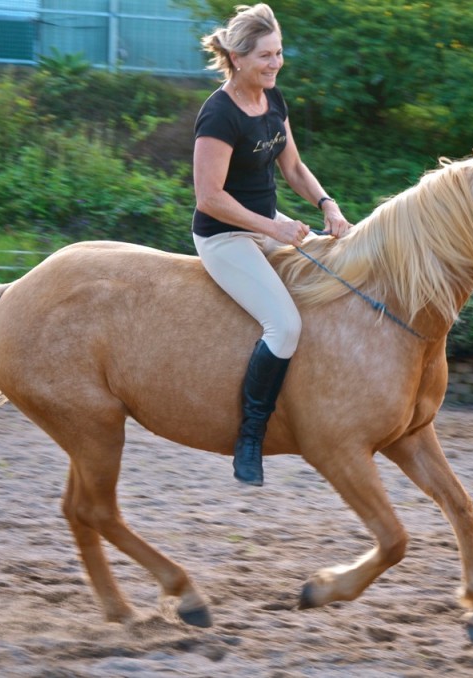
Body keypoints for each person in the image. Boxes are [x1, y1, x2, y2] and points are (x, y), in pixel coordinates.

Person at [194, 3, 353, 487]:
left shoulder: (272, 99)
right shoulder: (219, 114)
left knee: (341, 278)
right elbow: (210, 197)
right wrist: (273, 229)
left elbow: (295, 170)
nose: (276, 63)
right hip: (225, 236)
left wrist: (328, 204)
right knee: (283, 326)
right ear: (238, 58)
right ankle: (250, 436)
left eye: (279, 53)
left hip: (268, 223)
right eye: (266, 55)